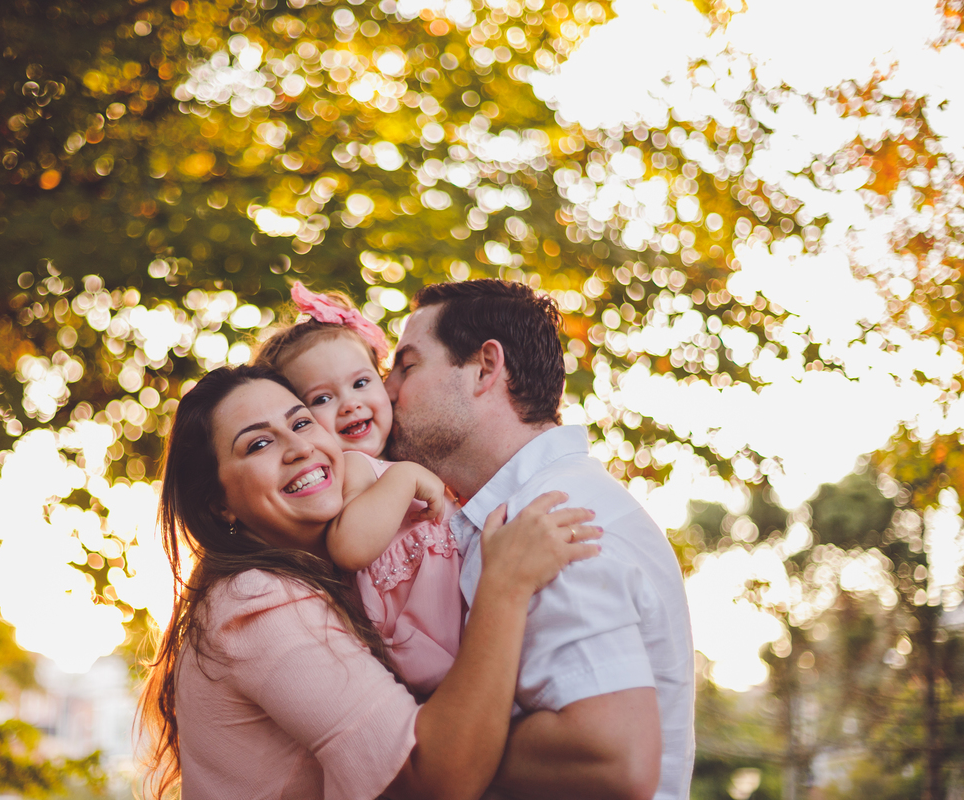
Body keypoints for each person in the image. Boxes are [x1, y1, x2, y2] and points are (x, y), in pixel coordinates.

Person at [137, 364, 603, 800]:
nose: (299, 448)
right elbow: (433, 776)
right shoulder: (254, 601)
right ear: (220, 504)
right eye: (258, 444)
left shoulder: (332, 575)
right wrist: (503, 588)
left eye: (301, 423)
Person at [385, 279, 695, 800]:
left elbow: (612, 757)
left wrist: (424, 743)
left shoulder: (551, 516)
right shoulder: (533, 507)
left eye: (406, 366)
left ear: (485, 367)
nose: (385, 390)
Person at [255, 282, 465, 696]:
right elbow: (349, 547)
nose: (349, 404)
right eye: (322, 399)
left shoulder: (404, 462)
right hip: (425, 660)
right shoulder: (355, 467)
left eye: (361, 383)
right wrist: (405, 478)